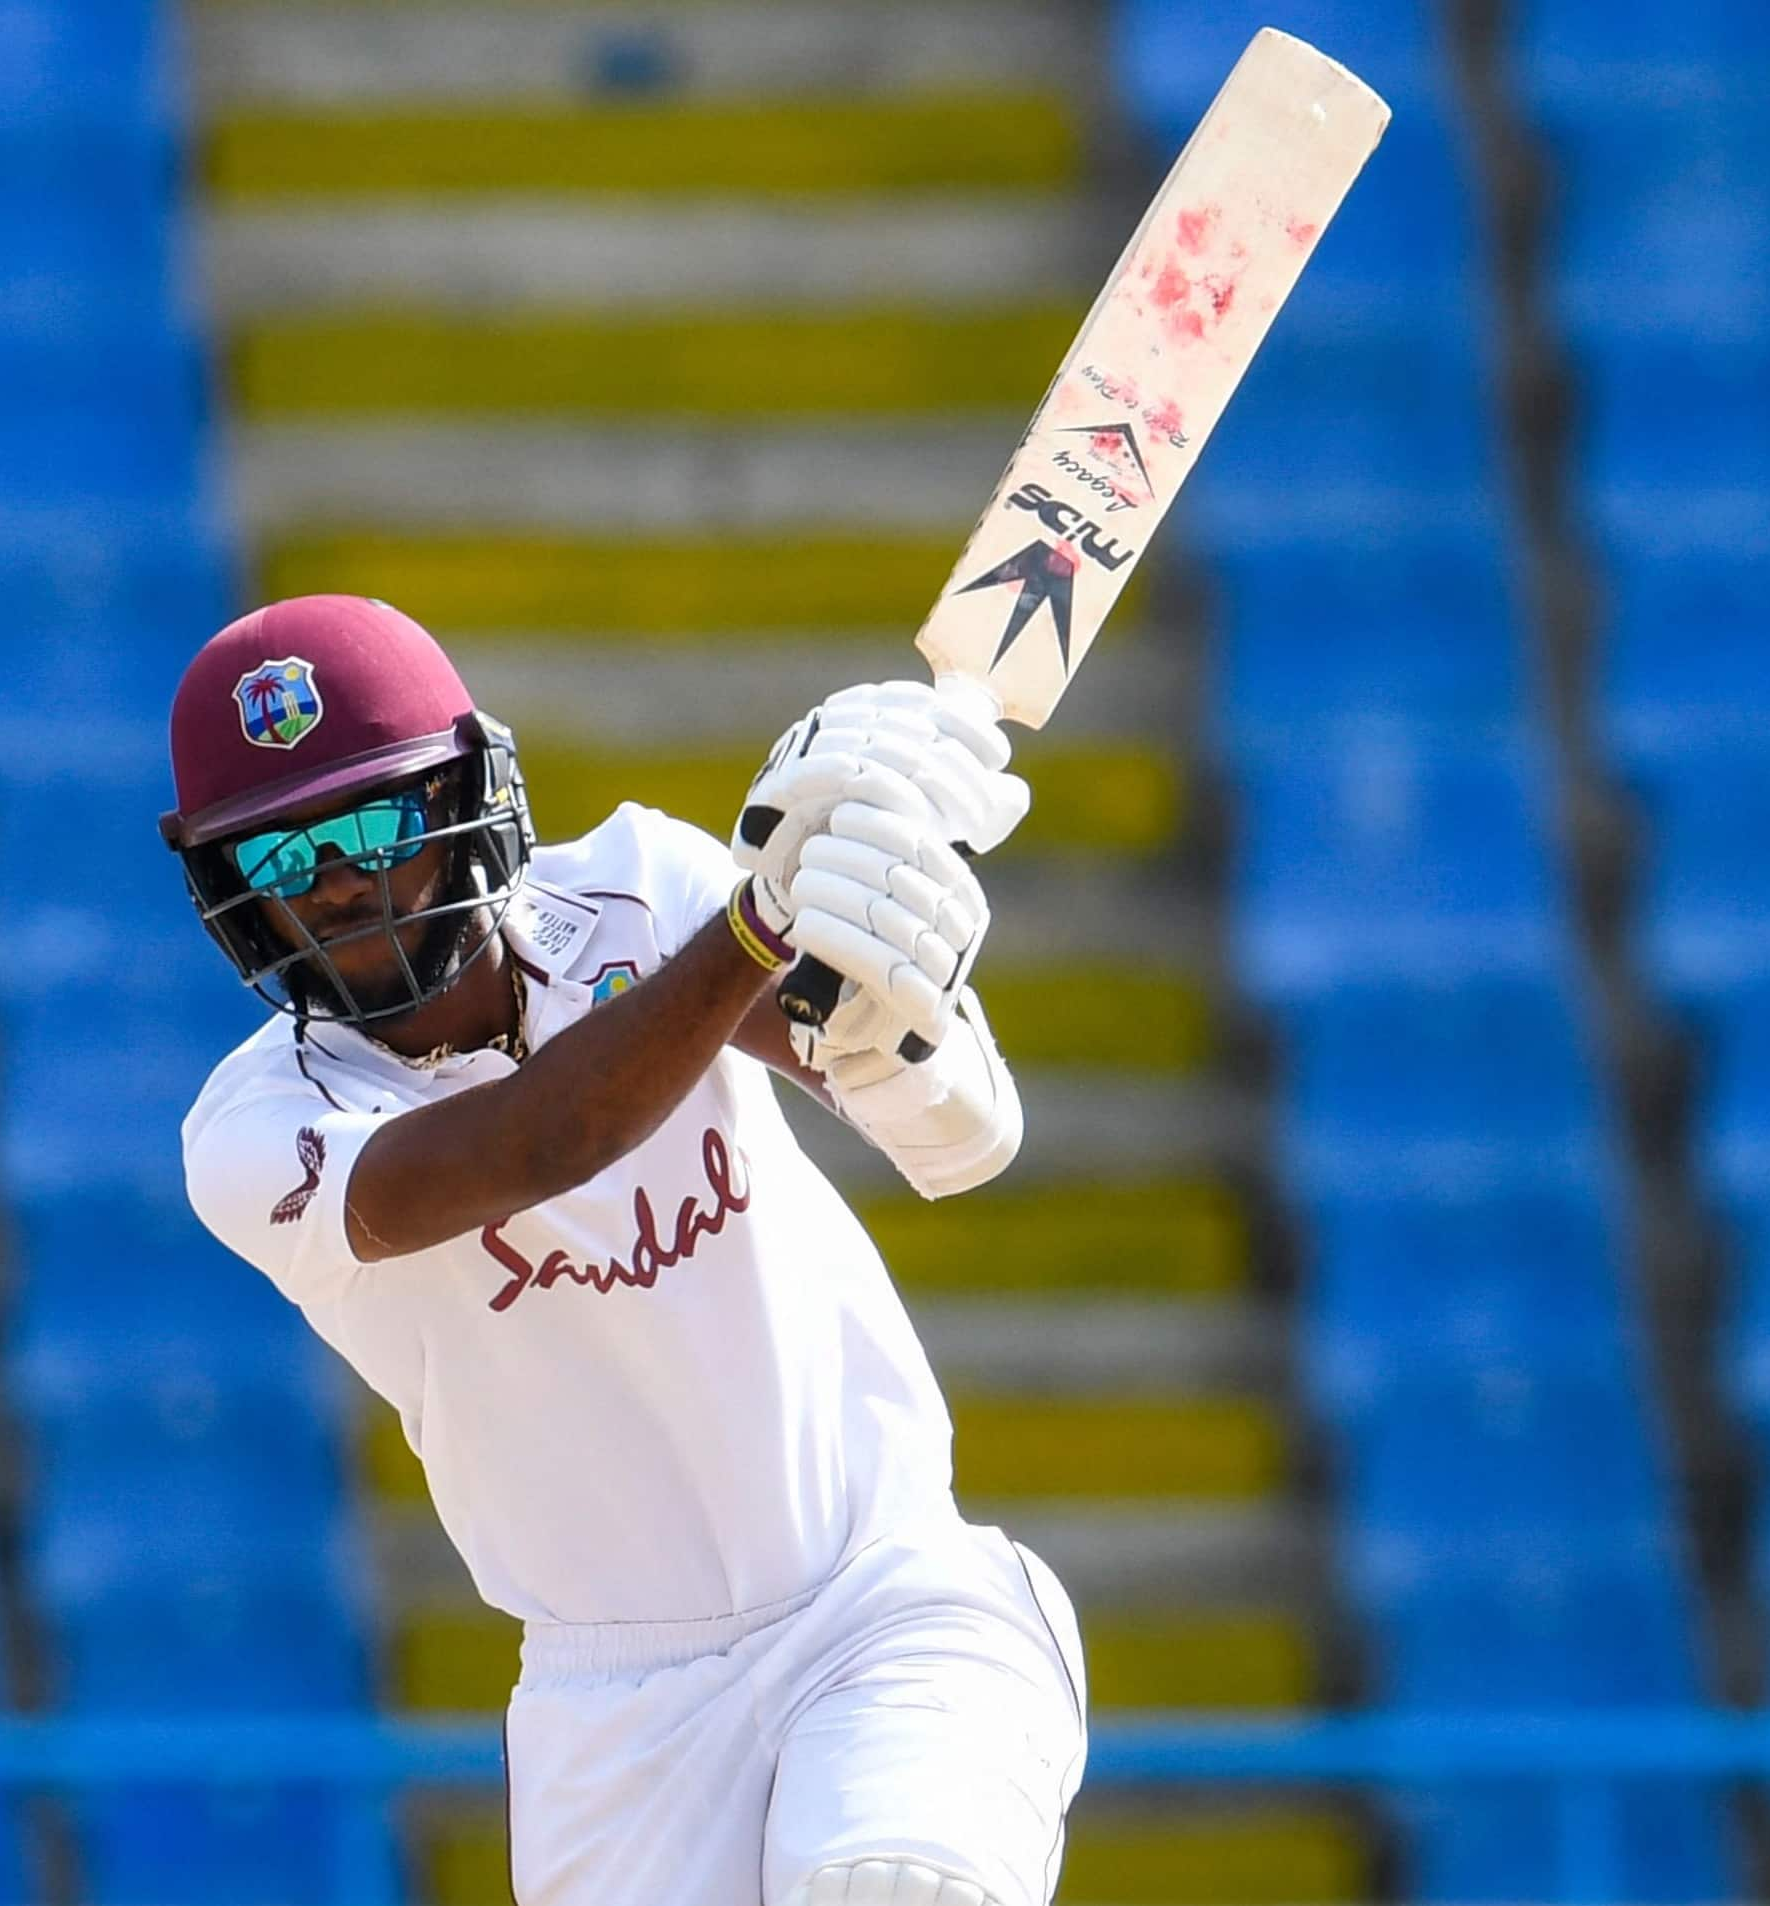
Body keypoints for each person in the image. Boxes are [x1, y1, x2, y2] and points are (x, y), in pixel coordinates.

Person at [162, 593, 1089, 1906]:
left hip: (880, 1602)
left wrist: (903, 1004)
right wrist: (766, 921)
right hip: (619, 1721)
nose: (337, 887)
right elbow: (541, 1141)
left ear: (463, 791)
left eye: (373, 826)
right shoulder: (259, 1132)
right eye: (282, 859)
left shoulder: (648, 890)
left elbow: (938, 1122)